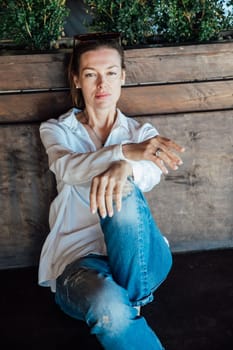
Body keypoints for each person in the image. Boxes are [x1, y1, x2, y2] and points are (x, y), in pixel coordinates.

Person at [38, 32, 185, 350]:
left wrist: (126, 167)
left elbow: (149, 176)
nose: (101, 85)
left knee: (125, 191)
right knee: (110, 310)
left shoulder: (143, 134)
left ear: (123, 77)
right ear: (77, 79)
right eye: (91, 74)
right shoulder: (56, 130)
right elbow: (67, 168)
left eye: (111, 74)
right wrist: (127, 153)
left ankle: (132, 295)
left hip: (144, 259)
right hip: (79, 266)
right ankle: (130, 304)